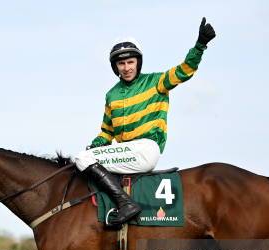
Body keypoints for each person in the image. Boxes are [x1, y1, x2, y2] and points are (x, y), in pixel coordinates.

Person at [74, 18, 216, 226]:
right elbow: (106, 132)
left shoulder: (156, 82)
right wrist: (96, 144)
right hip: (124, 152)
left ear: (138, 63)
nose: (126, 67)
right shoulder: (111, 95)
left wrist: (200, 46)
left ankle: (126, 204)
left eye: (130, 62)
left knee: (82, 158)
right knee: (85, 157)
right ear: (115, 67)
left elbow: (184, 70)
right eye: (121, 63)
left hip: (145, 149)